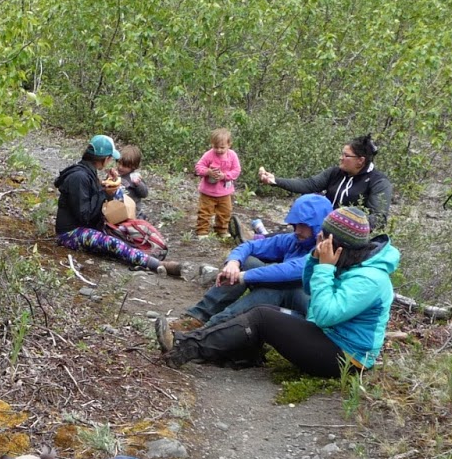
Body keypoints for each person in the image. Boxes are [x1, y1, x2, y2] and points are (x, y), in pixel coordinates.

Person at [154, 206, 399, 378]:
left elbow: (325, 314)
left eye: (324, 237)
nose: (319, 240)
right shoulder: (350, 261)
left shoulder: (370, 279)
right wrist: (315, 260)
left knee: (263, 317)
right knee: (267, 311)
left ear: (338, 243)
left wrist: (324, 268)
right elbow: (309, 288)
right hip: (327, 336)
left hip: (346, 358)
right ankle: (238, 354)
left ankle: (184, 348)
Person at [174, 194, 333, 330]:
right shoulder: (293, 240)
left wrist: (243, 276)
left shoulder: (325, 250)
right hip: (282, 297)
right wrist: (233, 263)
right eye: (296, 225)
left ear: (319, 226)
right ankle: (196, 317)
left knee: (274, 288)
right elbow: (250, 245)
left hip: (307, 315)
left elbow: (288, 272)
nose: (297, 230)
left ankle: (209, 329)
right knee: (248, 261)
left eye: (303, 225)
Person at [54, 134, 167, 272]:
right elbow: (84, 215)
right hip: (70, 233)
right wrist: (105, 193)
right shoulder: (79, 177)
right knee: (111, 243)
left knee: (122, 229)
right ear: (105, 159)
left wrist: (107, 187)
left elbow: (91, 200)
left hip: (85, 227)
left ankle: (146, 249)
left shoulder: (87, 172)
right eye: (110, 158)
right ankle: (154, 263)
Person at [258, 134, 393, 232]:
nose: (341, 158)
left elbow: (378, 219)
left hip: (347, 236)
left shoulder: (378, 182)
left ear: (360, 161)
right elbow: (309, 185)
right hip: (321, 227)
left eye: (346, 155)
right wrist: (275, 180)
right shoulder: (336, 172)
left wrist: (344, 222)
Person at [193, 128, 241, 240]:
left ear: (229, 145)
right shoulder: (209, 155)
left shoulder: (232, 155)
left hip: (225, 192)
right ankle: (202, 231)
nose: (219, 150)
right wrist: (208, 171)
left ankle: (222, 230)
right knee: (204, 212)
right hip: (208, 192)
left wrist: (224, 176)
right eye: (216, 147)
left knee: (225, 212)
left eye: (222, 147)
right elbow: (198, 167)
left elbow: (236, 170)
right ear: (212, 144)